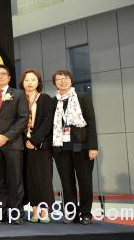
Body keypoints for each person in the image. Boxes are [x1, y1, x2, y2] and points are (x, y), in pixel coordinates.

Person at [51, 70, 98, 225]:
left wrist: (93, 147)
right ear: (55, 83)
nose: (63, 81)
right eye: (59, 79)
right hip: (61, 147)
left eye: (66, 78)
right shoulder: (53, 101)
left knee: (85, 182)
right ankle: (71, 213)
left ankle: (86, 213)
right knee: (67, 183)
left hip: (81, 146)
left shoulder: (82, 97)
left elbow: (91, 123)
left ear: (71, 80)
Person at [0, 64, 28, 224]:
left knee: (15, 180)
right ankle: (1, 213)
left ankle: (16, 214)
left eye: (2, 74)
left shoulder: (18, 94)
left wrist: (6, 136)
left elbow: (23, 118)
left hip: (13, 144)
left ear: (9, 77)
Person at [20, 69, 55, 223]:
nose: (30, 83)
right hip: (24, 146)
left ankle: (45, 212)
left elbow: (48, 122)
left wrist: (34, 140)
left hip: (41, 146)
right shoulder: (19, 99)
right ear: (22, 82)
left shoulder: (44, 98)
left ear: (38, 82)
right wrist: (25, 141)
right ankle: (34, 212)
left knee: (44, 179)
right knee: (30, 179)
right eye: (27, 80)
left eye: (33, 79)